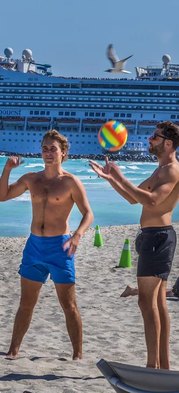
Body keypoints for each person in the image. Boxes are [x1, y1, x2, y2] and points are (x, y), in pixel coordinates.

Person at [90, 121, 179, 370]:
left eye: (155, 136)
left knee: (146, 302)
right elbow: (133, 198)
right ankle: (162, 366)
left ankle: (152, 367)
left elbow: (152, 201)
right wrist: (110, 178)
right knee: (158, 303)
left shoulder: (172, 171)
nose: (149, 139)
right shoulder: (160, 169)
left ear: (168, 143)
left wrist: (119, 175)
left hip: (158, 237)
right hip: (154, 236)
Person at [0, 130, 94, 360]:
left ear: (63, 152)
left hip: (60, 248)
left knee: (68, 305)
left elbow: (88, 213)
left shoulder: (70, 182)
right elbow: (3, 196)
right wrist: (7, 169)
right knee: (26, 303)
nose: (48, 153)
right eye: (44, 148)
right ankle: (13, 351)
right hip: (34, 247)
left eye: (53, 149)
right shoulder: (31, 179)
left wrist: (78, 235)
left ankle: (77, 355)